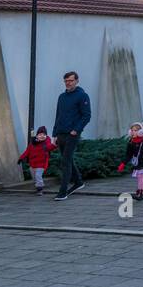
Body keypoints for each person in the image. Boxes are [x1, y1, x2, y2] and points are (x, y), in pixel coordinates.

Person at [52, 71, 91, 201]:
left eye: (71, 80)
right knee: (66, 159)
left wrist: (76, 130)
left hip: (72, 134)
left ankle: (62, 192)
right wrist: (54, 134)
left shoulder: (82, 96)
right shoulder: (61, 97)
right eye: (66, 81)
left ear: (77, 81)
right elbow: (58, 116)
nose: (68, 83)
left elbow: (86, 115)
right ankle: (79, 182)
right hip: (61, 133)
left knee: (65, 161)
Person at [17, 126, 55, 194]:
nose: (42, 136)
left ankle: (40, 189)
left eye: (44, 135)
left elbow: (50, 147)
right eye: (40, 134)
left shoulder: (46, 143)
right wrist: (21, 158)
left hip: (42, 164)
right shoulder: (32, 143)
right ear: (37, 136)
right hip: (33, 164)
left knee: (38, 176)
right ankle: (38, 186)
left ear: (46, 136)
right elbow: (27, 151)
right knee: (34, 177)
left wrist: (55, 144)